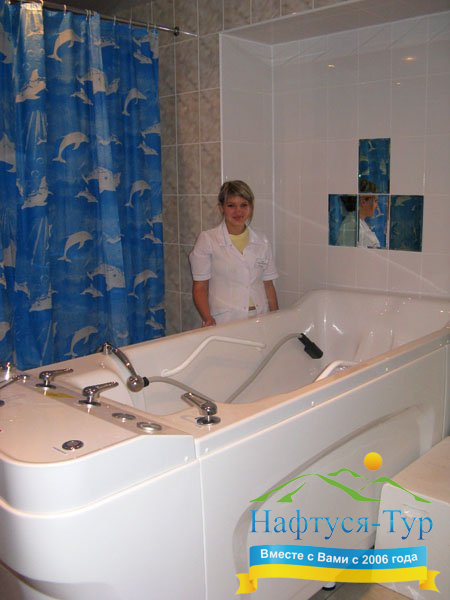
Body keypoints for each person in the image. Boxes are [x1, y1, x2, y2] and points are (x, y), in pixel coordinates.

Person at [189, 180, 279, 327]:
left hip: (261, 317)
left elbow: (268, 285)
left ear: (250, 207)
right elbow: (200, 287)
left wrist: (277, 319)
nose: (238, 211)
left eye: (244, 205)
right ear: (221, 208)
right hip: (226, 320)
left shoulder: (262, 241)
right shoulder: (208, 240)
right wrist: (208, 318)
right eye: (231, 205)